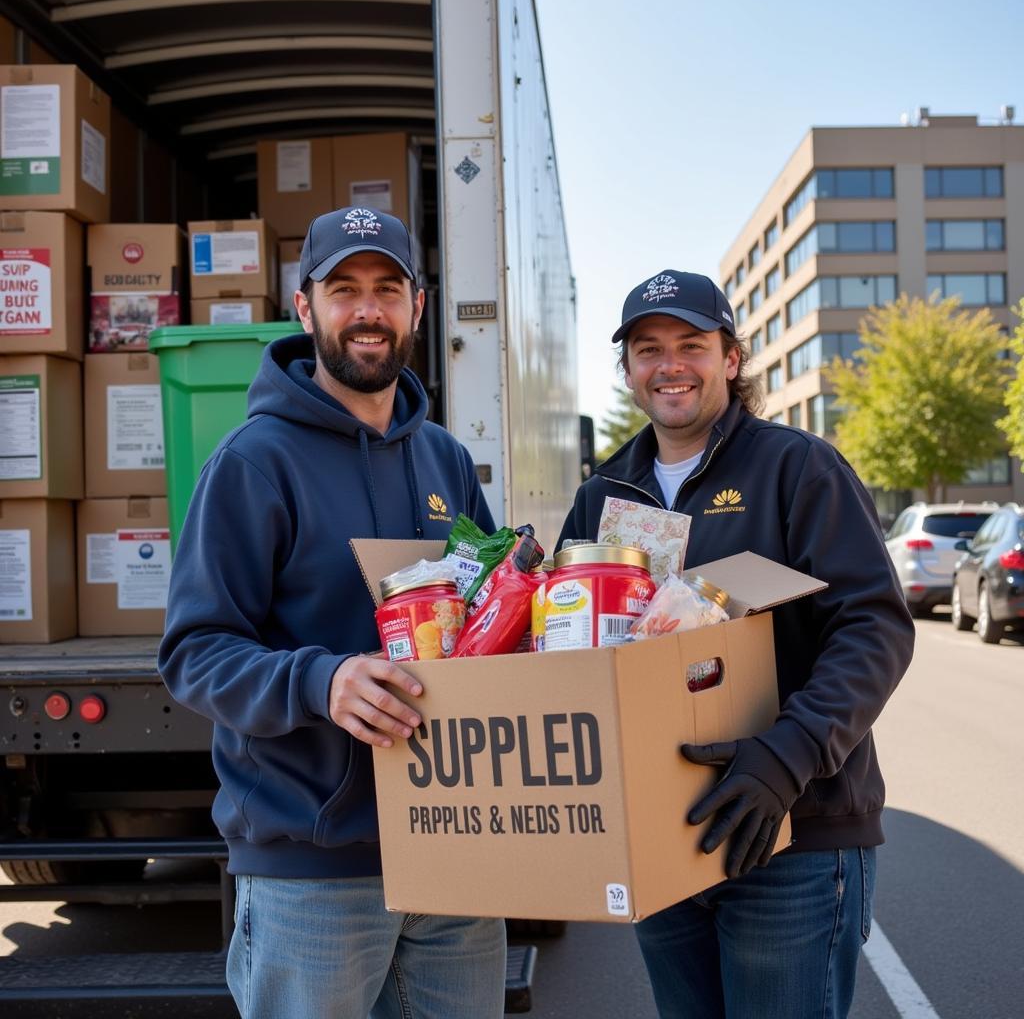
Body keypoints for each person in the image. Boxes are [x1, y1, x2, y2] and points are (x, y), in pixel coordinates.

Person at [159, 207, 506, 1019]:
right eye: (344, 289)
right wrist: (323, 681)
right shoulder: (253, 463)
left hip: (458, 850)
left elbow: (492, 610)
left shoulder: (444, 457)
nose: (368, 310)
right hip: (311, 873)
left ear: (417, 307)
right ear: (306, 307)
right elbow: (194, 651)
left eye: (387, 288)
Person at [557, 270, 915, 1019]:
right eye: (649, 349)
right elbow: (572, 655)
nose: (670, 365)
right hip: (664, 836)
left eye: (692, 343)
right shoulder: (603, 495)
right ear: (627, 370)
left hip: (792, 832)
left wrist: (789, 753)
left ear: (731, 357)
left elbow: (874, 626)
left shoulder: (797, 468)